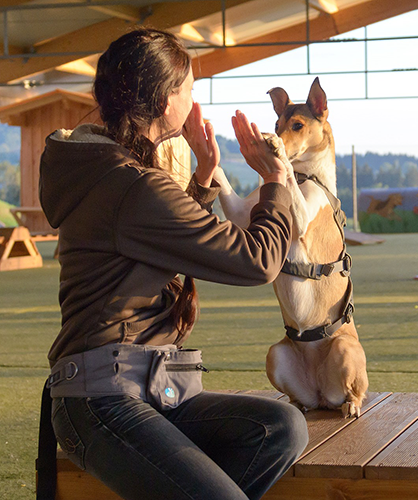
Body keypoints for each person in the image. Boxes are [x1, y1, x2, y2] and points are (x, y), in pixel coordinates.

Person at [37, 28, 308, 500]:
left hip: (147, 385)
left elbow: (155, 238)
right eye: (189, 89)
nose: (193, 99)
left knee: (279, 427)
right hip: (103, 400)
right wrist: (277, 181)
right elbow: (257, 260)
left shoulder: (110, 174)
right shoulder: (131, 185)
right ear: (166, 102)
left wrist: (204, 179)